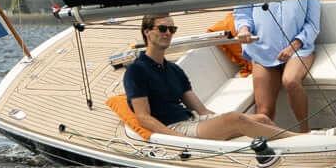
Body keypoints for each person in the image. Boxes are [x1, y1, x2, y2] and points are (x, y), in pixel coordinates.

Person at [112, 14, 289, 142]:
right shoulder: (136, 71)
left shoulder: (174, 70)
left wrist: (220, 120)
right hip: (174, 128)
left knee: (260, 119)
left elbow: (202, 111)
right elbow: (143, 117)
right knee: (234, 119)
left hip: (192, 120)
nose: (168, 33)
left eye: (172, 29)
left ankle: (291, 144)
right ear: (147, 32)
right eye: (162, 29)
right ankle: (296, 139)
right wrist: (176, 138)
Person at [220, 0, 322, 131]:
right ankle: (269, 138)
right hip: (262, 51)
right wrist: (244, 29)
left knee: (290, 81)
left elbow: (313, 25)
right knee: (264, 111)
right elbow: (243, 14)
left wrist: (293, 47)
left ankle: (304, 131)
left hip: (298, 49)